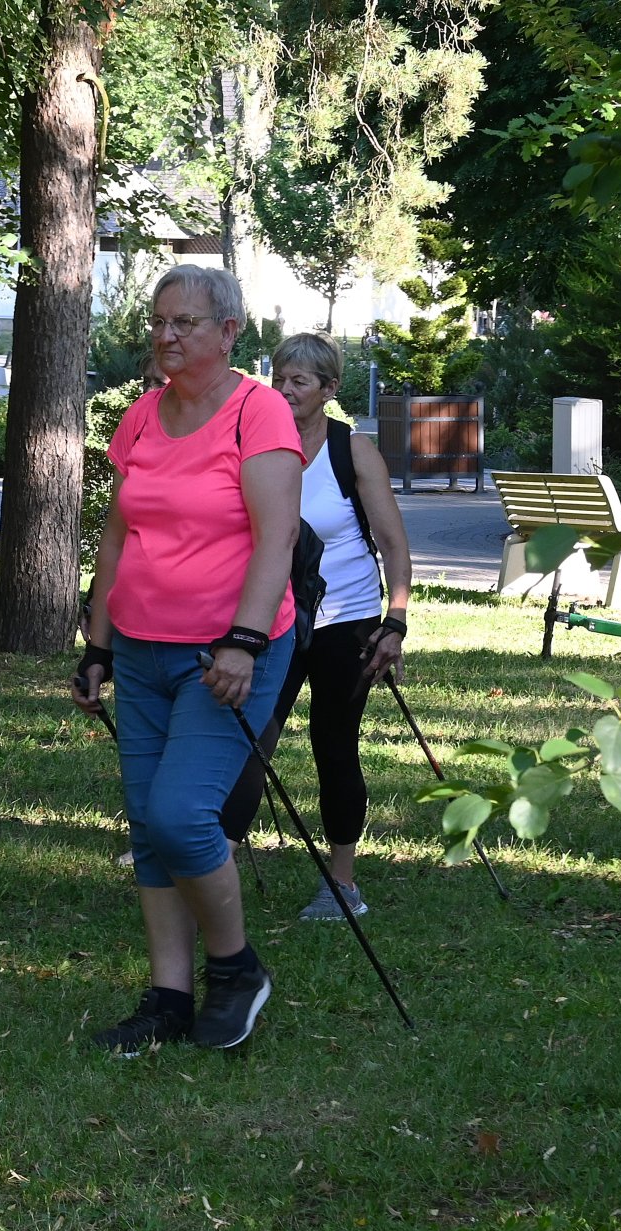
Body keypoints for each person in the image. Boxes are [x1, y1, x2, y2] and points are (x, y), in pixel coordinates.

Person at [72, 265, 303, 1053]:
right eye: (159, 322)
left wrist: (244, 641)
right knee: (149, 825)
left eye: (185, 324)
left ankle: (236, 968)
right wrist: (97, 642)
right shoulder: (141, 416)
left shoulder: (258, 412)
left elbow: (277, 539)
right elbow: (117, 534)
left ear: (230, 330)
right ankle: (167, 997)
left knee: (181, 814)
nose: (166, 337)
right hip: (139, 648)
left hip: (229, 653)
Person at [219, 333, 413, 920]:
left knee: (333, 743)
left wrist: (396, 621)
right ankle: (215, 860)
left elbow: (392, 544)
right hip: (270, 617)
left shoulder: (352, 450)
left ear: (329, 389)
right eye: (279, 376)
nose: (285, 389)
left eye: (300, 380)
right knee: (250, 738)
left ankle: (342, 883)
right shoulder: (254, 441)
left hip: (346, 620)